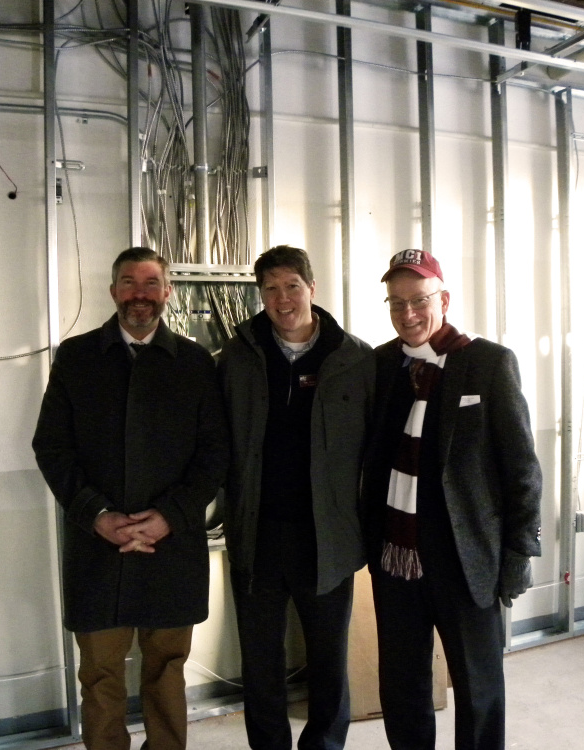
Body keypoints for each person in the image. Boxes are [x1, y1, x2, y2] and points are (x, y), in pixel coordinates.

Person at [32, 247, 228, 750]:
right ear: (113, 290)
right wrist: (95, 514)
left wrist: (170, 516)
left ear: (167, 291)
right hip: (98, 545)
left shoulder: (195, 362)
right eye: (128, 282)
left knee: (166, 670)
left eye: (149, 283)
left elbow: (214, 454)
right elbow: (52, 446)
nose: (139, 293)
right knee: (98, 673)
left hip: (172, 545)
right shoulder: (76, 358)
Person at [361, 249, 542, 750]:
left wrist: (520, 553)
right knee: (402, 683)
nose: (408, 314)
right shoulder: (379, 365)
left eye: (418, 300)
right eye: (396, 303)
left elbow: (522, 469)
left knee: (478, 685)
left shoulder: (487, 363)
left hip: (464, 557)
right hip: (395, 556)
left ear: (444, 299)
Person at [217, 245, 374, 750]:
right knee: (260, 663)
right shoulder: (237, 357)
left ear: (312, 288)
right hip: (257, 535)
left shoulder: (355, 359)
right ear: (259, 294)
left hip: (325, 539)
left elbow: (376, 449)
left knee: (329, 659)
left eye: (291, 286)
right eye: (270, 289)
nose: (282, 299)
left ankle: (325, 745)